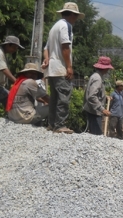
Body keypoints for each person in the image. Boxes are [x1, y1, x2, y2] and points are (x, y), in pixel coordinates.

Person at [42, 2, 84, 134]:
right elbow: (65, 47)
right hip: (60, 67)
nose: (76, 19)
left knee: (54, 97)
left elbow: (46, 48)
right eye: (76, 16)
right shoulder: (66, 26)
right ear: (72, 15)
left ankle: (52, 124)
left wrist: (47, 59)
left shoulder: (54, 27)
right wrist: (69, 66)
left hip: (52, 68)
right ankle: (60, 125)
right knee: (64, 96)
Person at [83, 56, 114, 135]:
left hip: (93, 111)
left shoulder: (96, 76)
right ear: (105, 69)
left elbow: (95, 93)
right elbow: (92, 96)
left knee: (94, 134)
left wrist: (105, 97)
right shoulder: (97, 78)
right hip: (94, 112)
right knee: (96, 135)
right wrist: (102, 109)